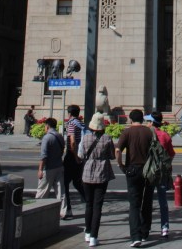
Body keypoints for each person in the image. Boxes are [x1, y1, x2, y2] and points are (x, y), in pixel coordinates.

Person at [115, 108, 154, 248]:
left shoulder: (127, 132)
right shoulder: (149, 132)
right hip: (148, 170)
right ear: (142, 119)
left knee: (134, 204)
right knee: (147, 201)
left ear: (131, 119)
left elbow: (117, 150)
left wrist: (120, 164)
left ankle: (135, 236)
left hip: (132, 170)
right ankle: (145, 232)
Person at [81, 113, 115, 248]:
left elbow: (81, 154)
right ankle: (94, 237)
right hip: (102, 173)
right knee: (97, 205)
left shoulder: (85, 138)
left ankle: (87, 232)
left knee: (88, 204)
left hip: (87, 172)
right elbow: (112, 155)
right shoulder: (107, 138)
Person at [144, 111, 175, 240]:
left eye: (148, 121)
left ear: (152, 122)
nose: (146, 123)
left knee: (147, 200)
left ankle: (146, 227)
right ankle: (164, 227)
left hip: (149, 171)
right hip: (161, 171)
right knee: (163, 200)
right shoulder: (165, 135)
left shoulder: (146, 135)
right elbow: (171, 154)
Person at [61, 104, 85, 219]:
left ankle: (68, 209)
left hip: (72, 156)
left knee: (64, 183)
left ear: (69, 113)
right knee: (77, 182)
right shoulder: (81, 124)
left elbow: (72, 141)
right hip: (80, 155)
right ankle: (90, 201)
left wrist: (75, 156)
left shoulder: (71, 124)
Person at [35, 117, 65, 202]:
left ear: (47, 126)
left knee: (42, 192)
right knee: (61, 192)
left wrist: (40, 170)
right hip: (59, 166)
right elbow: (62, 150)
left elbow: (44, 156)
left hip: (48, 169)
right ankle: (63, 209)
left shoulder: (46, 138)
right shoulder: (60, 136)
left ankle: (38, 207)